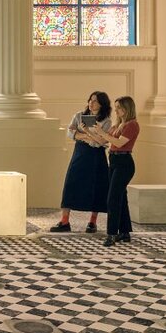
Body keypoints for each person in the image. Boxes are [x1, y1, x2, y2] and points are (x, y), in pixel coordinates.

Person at [49, 92, 112, 233]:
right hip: (81, 153)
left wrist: (85, 134)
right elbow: (70, 132)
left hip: (97, 155)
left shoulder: (106, 121)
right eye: (90, 99)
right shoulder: (79, 115)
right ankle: (64, 221)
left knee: (97, 186)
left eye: (95, 101)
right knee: (71, 182)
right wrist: (86, 136)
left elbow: (102, 141)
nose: (91, 102)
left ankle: (92, 222)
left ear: (102, 104)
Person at [89, 95, 139, 246]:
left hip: (124, 163)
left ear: (127, 108)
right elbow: (103, 141)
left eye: (119, 108)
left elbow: (118, 142)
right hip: (114, 160)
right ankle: (124, 232)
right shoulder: (117, 125)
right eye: (116, 107)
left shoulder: (132, 125)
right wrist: (91, 132)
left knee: (112, 199)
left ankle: (111, 234)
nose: (116, 110)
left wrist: (103, 133)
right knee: (120, 198)